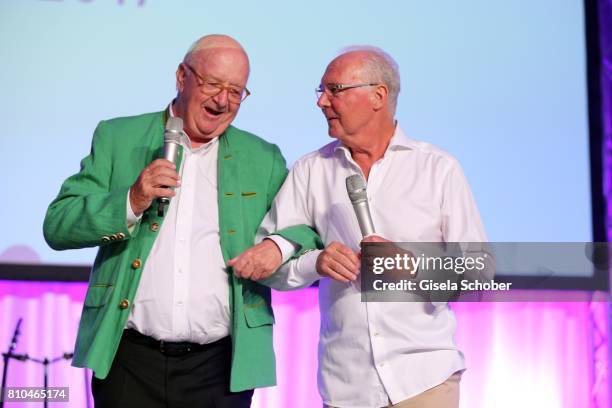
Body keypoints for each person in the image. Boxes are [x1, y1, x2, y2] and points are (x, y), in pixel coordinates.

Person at [43, 34, 318, 408]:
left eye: (236, 91)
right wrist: (131, 200)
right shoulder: (117, 137)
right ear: (181, 77)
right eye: (213, 84)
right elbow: (58, 224)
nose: (223, 101)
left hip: (220, 366)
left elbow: (306, 225)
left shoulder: (262, 157)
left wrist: (277, 245)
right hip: (129, 360)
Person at [231, 46, 489, 407]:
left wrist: (411, 266)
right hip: (346, 386)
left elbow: (478, 276)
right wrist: (315, 262)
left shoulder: (437, 169)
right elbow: (270, 267)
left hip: (424, 380)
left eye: (334, 90)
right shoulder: (311, 171)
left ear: (378, 96)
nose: (322, 102)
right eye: (320, 91)